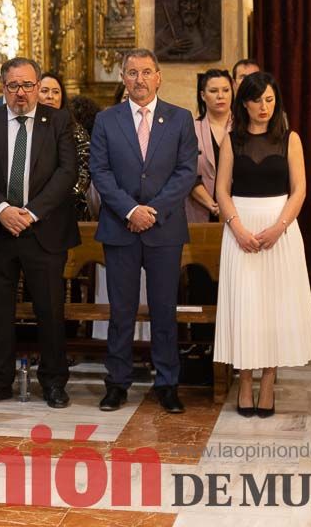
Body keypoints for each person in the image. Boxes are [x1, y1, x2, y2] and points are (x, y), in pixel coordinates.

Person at [88, 48, 197, 415]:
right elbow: (99, 172)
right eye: (132, 73)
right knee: (122, 310)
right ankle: (117, 383)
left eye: (146, 72)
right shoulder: (107, 120)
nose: (140, 79)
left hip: (164, 229)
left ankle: (167, 384)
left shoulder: (180, 119)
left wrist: (153, 211)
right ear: (123, 78)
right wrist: (131, 210)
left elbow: (185, 172)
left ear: (158, 76)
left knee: (165, 310)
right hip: (120, 229)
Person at [0, 58, 79, 408]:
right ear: (3, 87)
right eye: (13, 86)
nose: (21, 93)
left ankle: (54, 382)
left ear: (38, 85)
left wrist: (29, 213)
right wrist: (3, 210)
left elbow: (67, 172)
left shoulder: (57, 120)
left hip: (43, 230)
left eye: (28, 85)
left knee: (50, 310)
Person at [214, 72, 311, 417]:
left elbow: (299, 189)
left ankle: (269, 380)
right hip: (240, 230)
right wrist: (238, 228)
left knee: (274, 306)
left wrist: (279, 227)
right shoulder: (232, 140)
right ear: (244, 103)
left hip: (280, 230)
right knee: (246, 307)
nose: (264, 107)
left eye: (270, 100)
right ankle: (244, 381)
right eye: (257, 100)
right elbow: (221, 191)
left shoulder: (291, 139)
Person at [37, 71, 92, 220]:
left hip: (69, 206)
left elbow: (84, 172)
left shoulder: (75, 129)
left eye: (56, 92)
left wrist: (55, 199)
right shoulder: (26, 128)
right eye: (44, 91)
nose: (50, 96)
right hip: (31, 208)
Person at [187, 69, 233, 223]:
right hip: (198, 211)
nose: (220, 96)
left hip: (238, 213)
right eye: (213, 91)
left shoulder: (244, 129)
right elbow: (186, 172)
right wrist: (212, 204)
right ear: (202, 95)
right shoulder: (190, 129)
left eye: (226, 90)